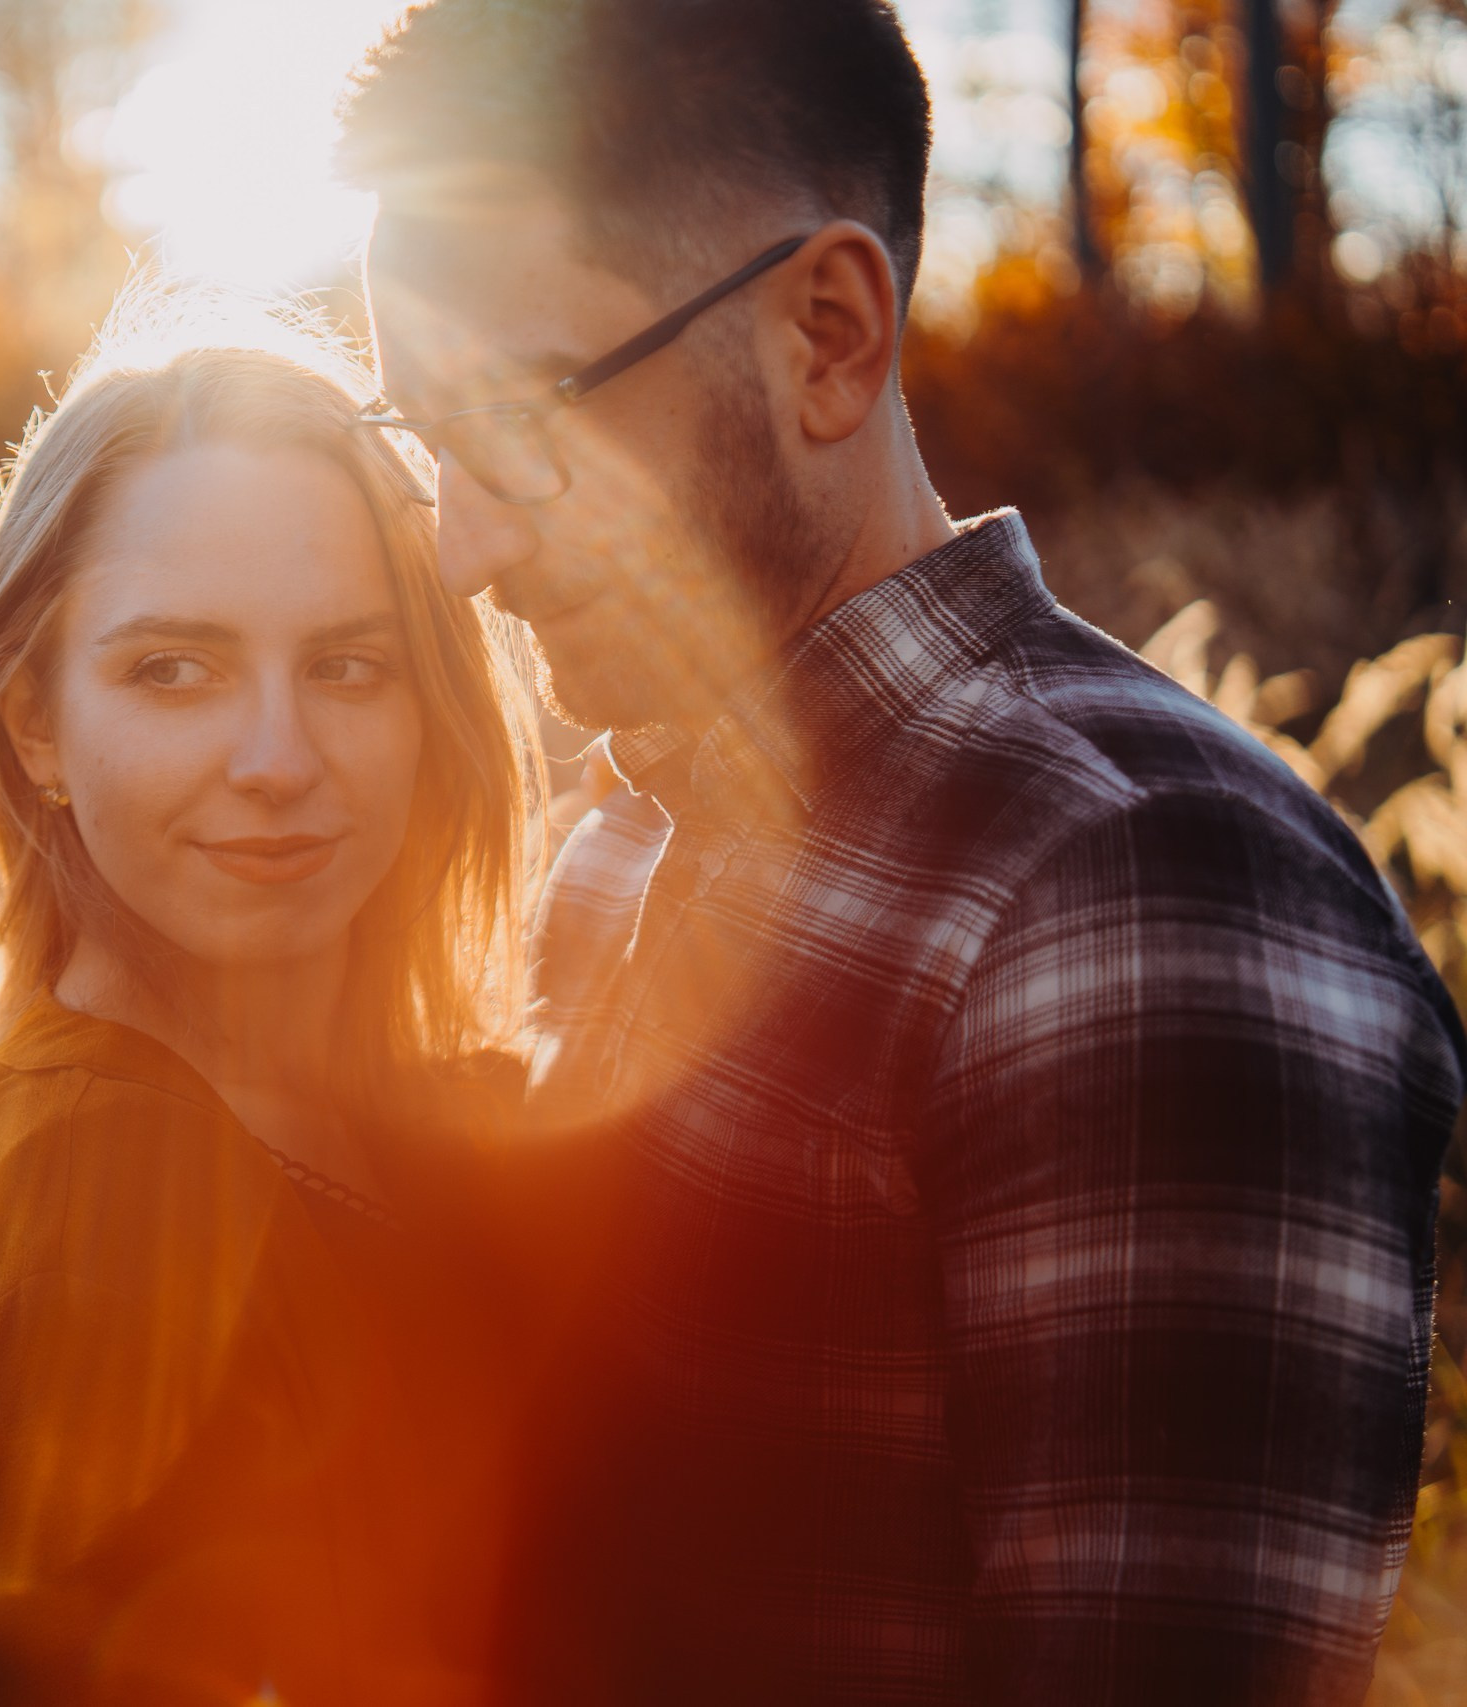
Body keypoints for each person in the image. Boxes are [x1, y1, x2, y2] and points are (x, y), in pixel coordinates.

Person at [338, 1, 1467, 1703]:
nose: (468, 549)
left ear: (827, 335)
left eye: (521, 420)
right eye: (426, 445)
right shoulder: (619, 850)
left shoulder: (1135, 890)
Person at [0, 328, 539, 1706]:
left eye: (351, 667)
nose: (279, 760)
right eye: (175, 671)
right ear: (34, 726)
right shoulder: (95, 1189)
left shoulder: (439, 1117)